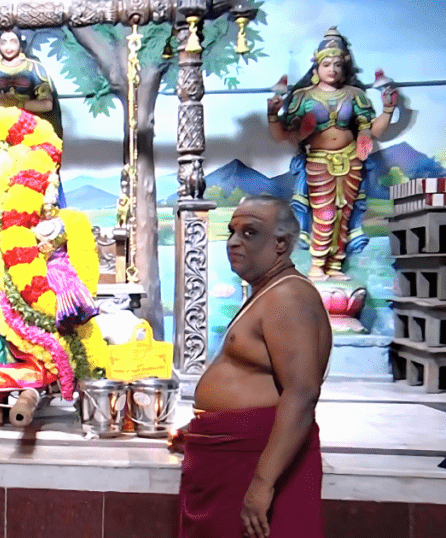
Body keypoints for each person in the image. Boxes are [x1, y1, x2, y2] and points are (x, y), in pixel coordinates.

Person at [171, 196, 332, 538]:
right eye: (232, 231)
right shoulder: (267, 291)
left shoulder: (288, 296)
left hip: (255, 461)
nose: (233, 241)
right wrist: (204, 428)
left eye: (250, 232)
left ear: (281, 244)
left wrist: (262, 483)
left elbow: (302, 393)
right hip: (230, 451)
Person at [268, 27, 398, 281]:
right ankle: (318, 264)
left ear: (344, 66)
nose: (333, 69)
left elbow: (370, 131)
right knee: (324, 213)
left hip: (350, 160)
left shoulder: (355, 95)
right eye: (326, 63)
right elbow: (284, 135)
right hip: (318, 161)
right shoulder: (303, 97)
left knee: (343, 215)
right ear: (316, 67)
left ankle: (335, 265)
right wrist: (273, 115)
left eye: (337, 64)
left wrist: (389, 109)